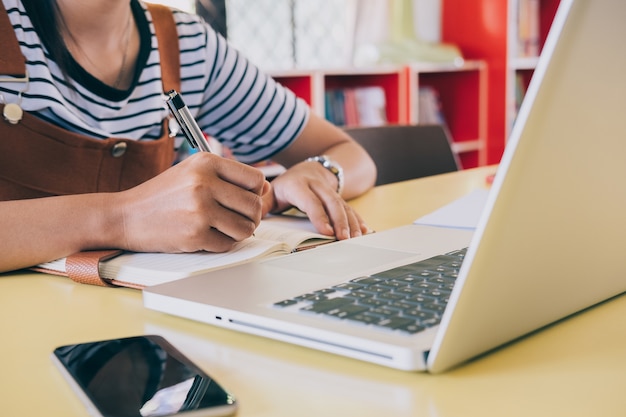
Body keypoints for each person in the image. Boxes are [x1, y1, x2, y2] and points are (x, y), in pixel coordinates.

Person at [0, 0, 377, 273]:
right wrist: (124, 219)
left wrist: (319, 171)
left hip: (143, 332)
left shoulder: (186, 43)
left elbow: (352, 156)